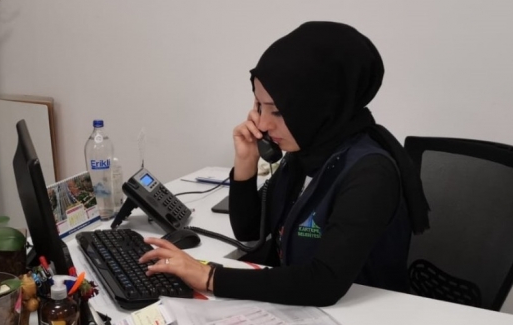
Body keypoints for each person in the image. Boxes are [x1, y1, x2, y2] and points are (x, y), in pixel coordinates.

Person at [139, 21, 430, 306]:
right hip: (299, 304)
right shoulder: (307, 153)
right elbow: (249, 231)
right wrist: (246, 161)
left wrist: (209, 276)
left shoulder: (370, 173)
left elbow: (323, 283)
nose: (263, 124)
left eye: (277, 111)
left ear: (319, 106)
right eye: (259, 106)